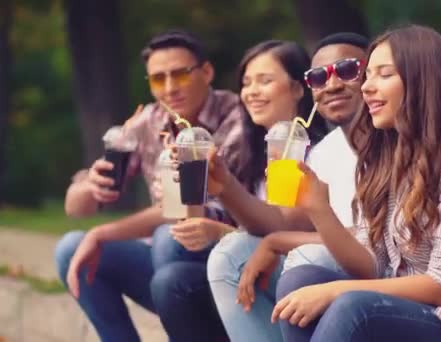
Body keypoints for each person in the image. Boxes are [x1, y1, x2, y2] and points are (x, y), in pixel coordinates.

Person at [273, 24, 441, 342]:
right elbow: (371, 266)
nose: (366, 87)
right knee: (302, 282)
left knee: (352, 305)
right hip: (425, 316)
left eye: (383, 74)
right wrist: (318, 208)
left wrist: (336, 290)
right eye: (368, 75)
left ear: (422, 82)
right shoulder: (388, 163)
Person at [54, 29, 246, 342]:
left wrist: (103, 232)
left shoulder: (235, 117)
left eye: (180, 74)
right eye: (158, 79)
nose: (170, 89)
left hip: (221, 266)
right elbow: (75, 209)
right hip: (163, 263)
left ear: (207, 72)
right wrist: (91, 184)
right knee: (70, 248)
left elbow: (187, 208)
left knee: (169, 236)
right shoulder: (150, 120)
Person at [203, 32, 369, 342]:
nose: (331, 84)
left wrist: (276, 241)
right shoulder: (324, 152)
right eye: (319, 77)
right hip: (334, 260)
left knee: (307, 262)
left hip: (378, 273)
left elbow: (372, 241)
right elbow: (284, 219)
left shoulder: (394, 142)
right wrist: (224, 184)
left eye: (346, 70)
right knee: (229, 255)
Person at [161, 38, 328, 339]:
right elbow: (192, 213)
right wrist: (190, 180)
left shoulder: (314, 153)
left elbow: (287, 223)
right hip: (259, 261)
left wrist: (223, 220)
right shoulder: (253, 153)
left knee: (217, 255)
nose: (251, 92)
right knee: (173, 278)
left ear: (297, 89)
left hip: (304, 269)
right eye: (247, 82)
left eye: (265, 81)